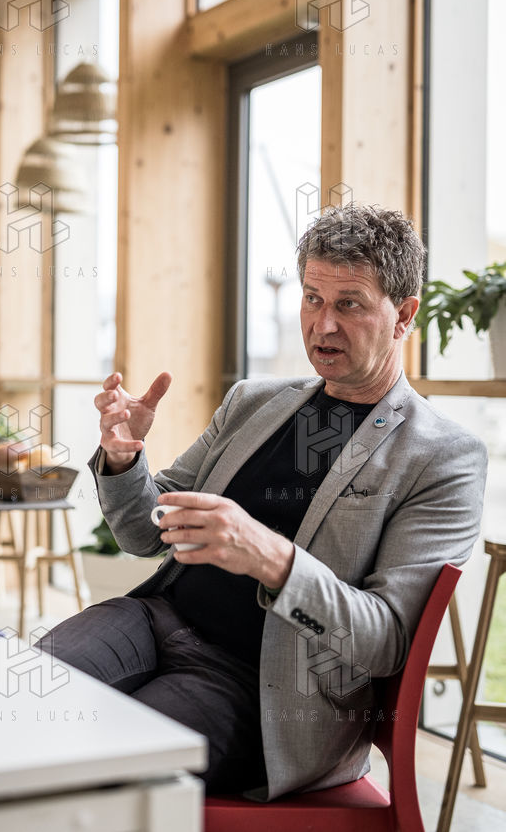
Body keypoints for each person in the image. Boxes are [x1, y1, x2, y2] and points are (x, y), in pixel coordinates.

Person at [37, 204, 487, 802]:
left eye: (349, 304)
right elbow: (145, 533)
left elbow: (385, 642)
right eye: (312, 298)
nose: (323, 325)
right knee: (22, 708)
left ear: (404, 315)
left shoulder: (442, 456)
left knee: (108, 763)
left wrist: (270, 557)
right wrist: (125, 459)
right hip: (154, 619)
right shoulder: (253, 402)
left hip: (262, 685)